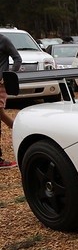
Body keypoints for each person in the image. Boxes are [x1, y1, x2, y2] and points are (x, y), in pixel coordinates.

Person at [0, 33, 22, 169]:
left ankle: (17, 127)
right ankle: (17, 127)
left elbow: (17, 59)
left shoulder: (3, 40)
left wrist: (7, 78)